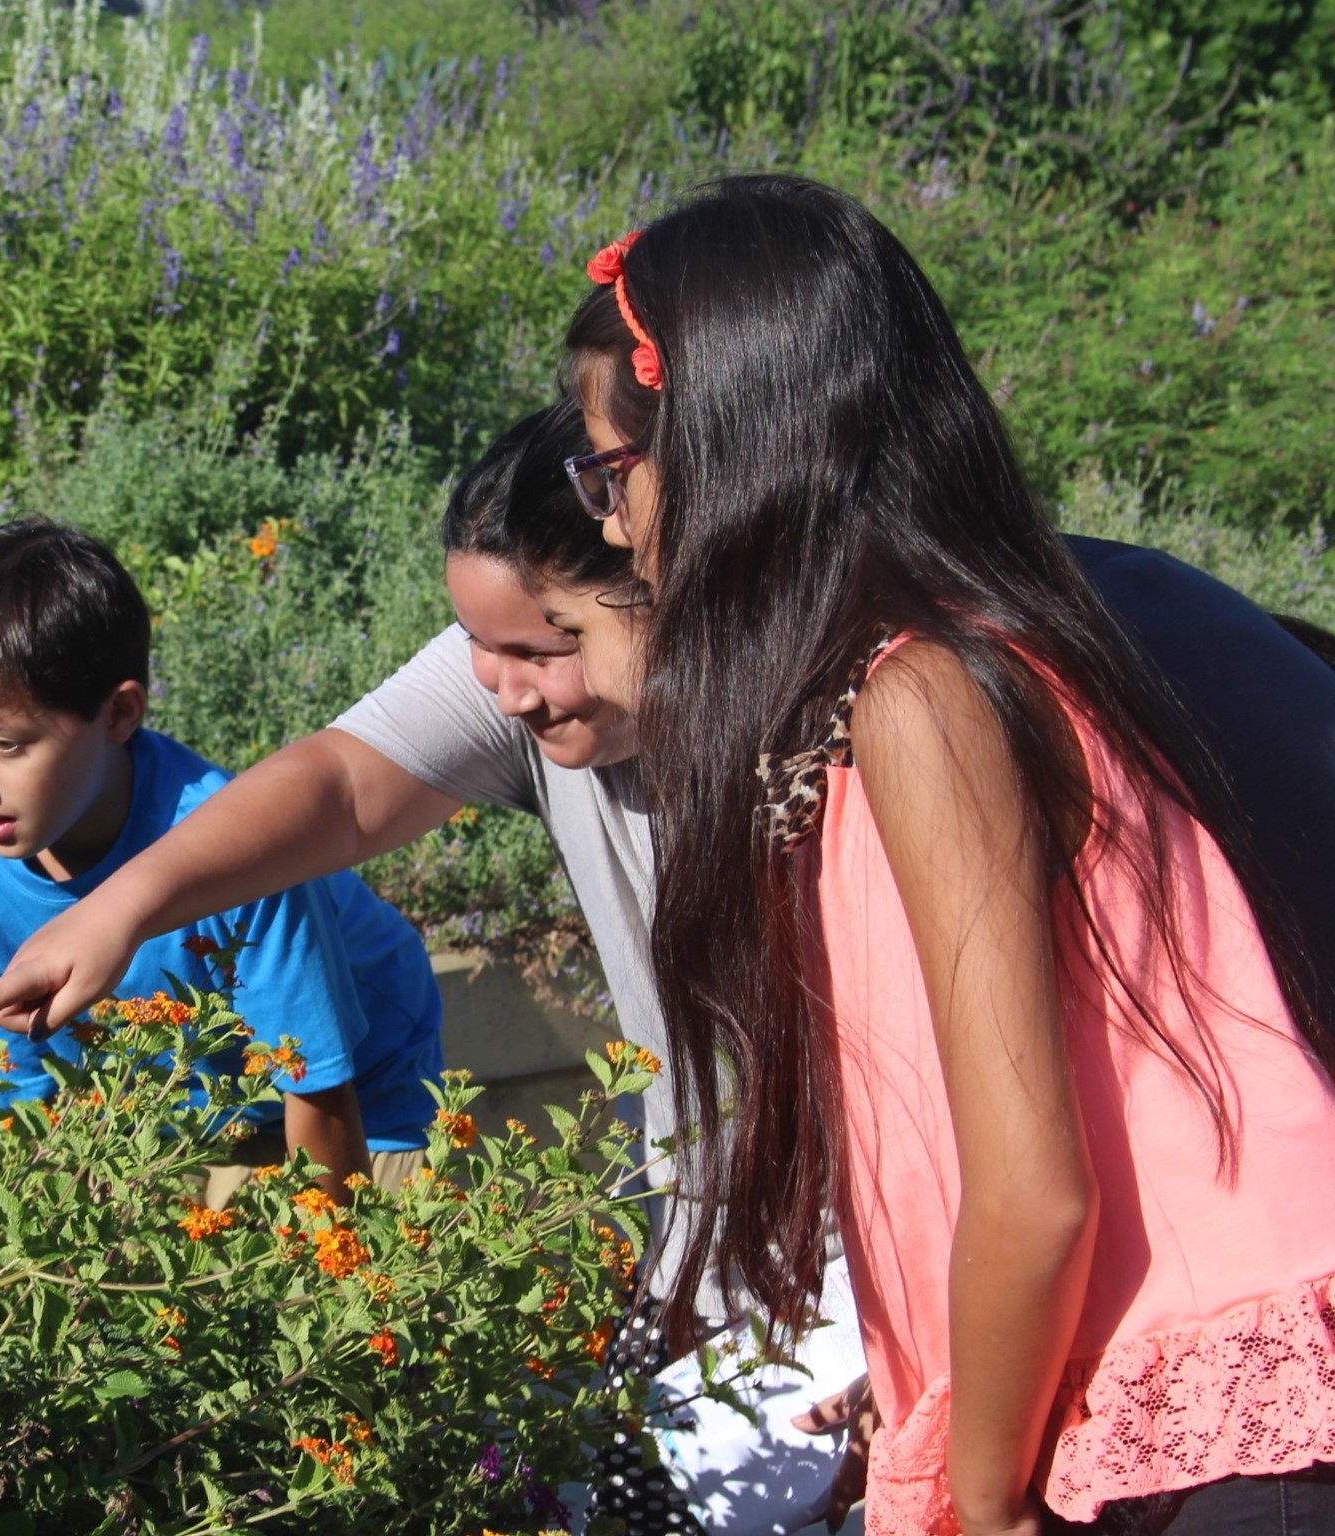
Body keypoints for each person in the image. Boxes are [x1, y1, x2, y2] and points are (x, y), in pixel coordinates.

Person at [0, 397, 1335, 1531]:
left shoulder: (877, 728)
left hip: (922, 1271)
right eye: (480, 647)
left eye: (540, 647)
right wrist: (119, 908)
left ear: (680, 598)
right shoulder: (540, 675)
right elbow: (342, 786)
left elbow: (984, 1131)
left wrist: (943, 1403)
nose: (500, 687)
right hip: (743, 1255)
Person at [560, 174, 1335, 1535]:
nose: (612, 526)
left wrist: (979, 1498)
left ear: (740, 449)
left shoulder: (925, 698)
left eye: (611, 473)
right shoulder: (919, 685)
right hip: (1121, 1417)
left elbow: (1031, 1190)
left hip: (1194, 1430)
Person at [0, 519, 445, 1203]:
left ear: (120, 714)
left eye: (5, 744)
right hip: (169, 1107)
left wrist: (326, 1277)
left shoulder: (239, 854)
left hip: (360, 1095)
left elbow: (319, 1087)